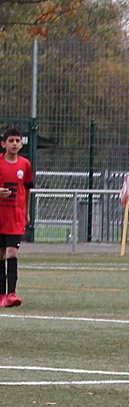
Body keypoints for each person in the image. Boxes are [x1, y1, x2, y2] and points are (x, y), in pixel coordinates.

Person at [0, 127, 33, 306]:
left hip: (15, 217)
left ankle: (11, 294)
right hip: (1, 216)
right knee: (0, 254)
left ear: (21, 144)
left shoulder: (25, 165)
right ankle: (1, 295)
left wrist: (26, 211)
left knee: (12, 252)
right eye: (11, 141)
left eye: (17, 141)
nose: (14, 144)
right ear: (3, 144)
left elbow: (26, 190)